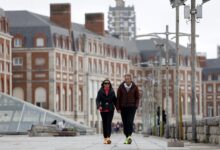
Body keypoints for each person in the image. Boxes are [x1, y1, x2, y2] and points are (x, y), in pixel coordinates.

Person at [116, 74, 140, 144]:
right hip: (123, 107)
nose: (127, 80)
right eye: (126, 79)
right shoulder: (121, 87)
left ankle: (129, 136)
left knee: (130, 121)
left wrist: (136, 106)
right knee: (125, 123)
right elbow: (118, 98)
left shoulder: (134, 87)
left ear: (131, 79)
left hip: (132, 107)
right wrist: (118, 108)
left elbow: (137, 97)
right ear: (125, 79)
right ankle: (127, 137)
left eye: (128, 79)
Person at [96, 79, 117, 144]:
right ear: (103, 84)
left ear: (109, 84)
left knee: (108, 123)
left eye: (108, 83)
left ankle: (108, 138)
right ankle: (105, 138)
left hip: (110, 109)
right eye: (105, 83)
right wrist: (99, 106)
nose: (107, 84)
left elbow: (115, 101)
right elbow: (97, 100)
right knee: (104, 124)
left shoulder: (112, 91)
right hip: (103, 110)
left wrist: (118, 108)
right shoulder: (100, 91)